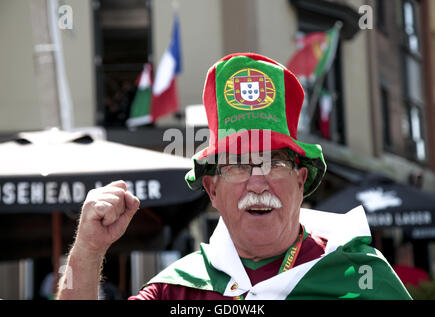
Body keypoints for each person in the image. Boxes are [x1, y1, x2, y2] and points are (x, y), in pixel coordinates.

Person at [57, 53, 411, 300]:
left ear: (301, 181)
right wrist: (88, 251)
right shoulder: (178, 290)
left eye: (274, 162)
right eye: (238, 166)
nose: (258, 183)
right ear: (211, 189)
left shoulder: (364, 279)